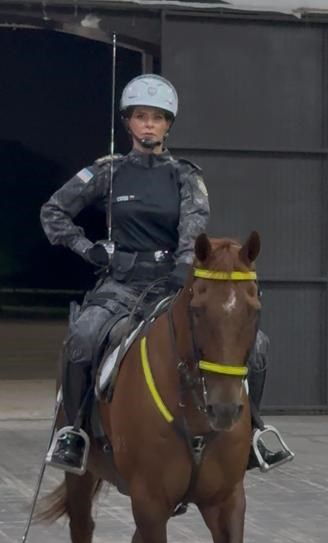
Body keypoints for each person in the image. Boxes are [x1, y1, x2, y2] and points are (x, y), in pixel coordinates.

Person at [40, 73, 293, 475]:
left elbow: (194, 225)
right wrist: (85, 248)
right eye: (141, 116)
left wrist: (182, 268)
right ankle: (73, 433)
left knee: (257, 345)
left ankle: (252, 433)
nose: (148, 125)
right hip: (120, 285)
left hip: (172, 284)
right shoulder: (107, 172)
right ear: (129, 123)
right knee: (83, 338)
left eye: (157, 118)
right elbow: (52, 211)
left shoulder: (186, 175)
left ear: (168, 124)